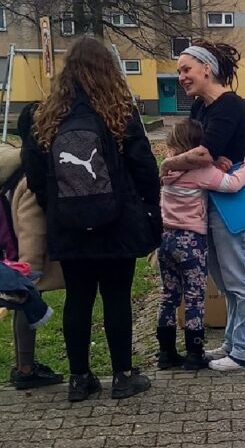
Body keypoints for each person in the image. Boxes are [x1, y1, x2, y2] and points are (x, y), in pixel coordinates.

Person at [22, 36, 160, 401]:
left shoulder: (45, 119)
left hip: (68, 224)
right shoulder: (119, 113)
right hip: (117, 221)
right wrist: (148, 204)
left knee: (78, 299)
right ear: (107, 71)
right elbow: (144, 166)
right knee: (117, 297)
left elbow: (35, 177)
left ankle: (79, 379)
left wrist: (58, 205)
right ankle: (123, 376)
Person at [160, 40, 245, 372]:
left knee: (242, 280)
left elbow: (203, 154)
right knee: (226, 281)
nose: (181, 77)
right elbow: (203, 151)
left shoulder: (228, 105)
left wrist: (170, 164)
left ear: (208, 69)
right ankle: (235, 343)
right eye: (179, 71)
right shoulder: (200, 108)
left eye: (186, 69)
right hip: (214, 203)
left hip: (236, 204)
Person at [156, 119, 245, 371]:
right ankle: (194, 352)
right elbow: (232, 184)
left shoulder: (167, 170)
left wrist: (213, 162)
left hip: (165, 238)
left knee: (168, 295)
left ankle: (166, 353)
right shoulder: (201, 173)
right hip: (191, 242)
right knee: (194, 297)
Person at [4, 116, 64, 390]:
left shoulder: (11, 164)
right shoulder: (30, 176)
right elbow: (31, 228)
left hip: (7, 249)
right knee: (26, 301)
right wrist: (29, 272)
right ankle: (25, 369)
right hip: (20, 255)